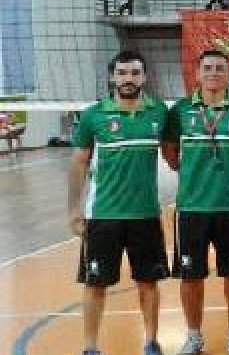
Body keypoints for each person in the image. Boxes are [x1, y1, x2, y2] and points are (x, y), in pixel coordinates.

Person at [68, 51, 170, 355]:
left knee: (148, 282)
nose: (128, 79)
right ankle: (90, 347)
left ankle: (151, 341)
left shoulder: (159, 112)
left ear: (144, 77)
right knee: (95, 284)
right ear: (112, 77)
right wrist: (74, 210)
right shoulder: (94, 115)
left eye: (134, 73)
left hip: (146, 214)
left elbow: (174, 152)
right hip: (103, 215)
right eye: (122, 73)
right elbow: (78, 164)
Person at [163, 50, 229, 355]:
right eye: (207, 68)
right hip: (191, 209)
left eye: (220, 68)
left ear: (228, 74)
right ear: (197, 74)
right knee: (190, 276)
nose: (213, 73)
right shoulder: (180, 110)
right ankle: (193, 335)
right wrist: (189, 172)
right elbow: (169, 152)